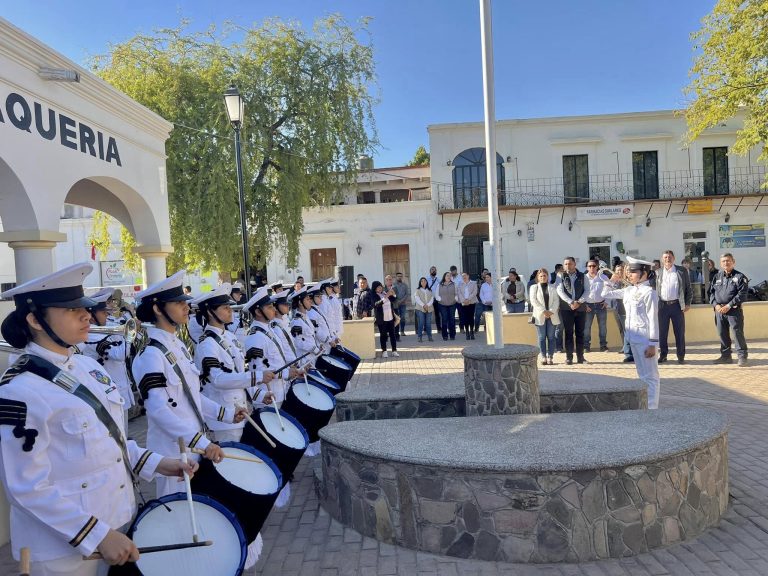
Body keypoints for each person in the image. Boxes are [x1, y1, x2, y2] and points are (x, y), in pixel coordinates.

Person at [0, 262, 196, 575]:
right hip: (63, 552)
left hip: (112, 528)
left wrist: (157, 462)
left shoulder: (87, 369)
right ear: (35, 319)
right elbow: (26, 488)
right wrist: (97, 534)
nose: (86, 316)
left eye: (84, 307)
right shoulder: (20, 390)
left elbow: (109, 440)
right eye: (70, 310)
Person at [131, 270, 248, 499]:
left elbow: (192, 395)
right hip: (175, 454)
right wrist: (202, 443)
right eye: (178, 303)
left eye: (185, 302)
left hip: (193, 447)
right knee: (181, 522)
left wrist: (226, 414)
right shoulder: (150, 355)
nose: (186, 307)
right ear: (157, 308)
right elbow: (158, 411)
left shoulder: (179, 347)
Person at [193, 284, 273, 444]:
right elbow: (217, 379)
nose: (230, 310)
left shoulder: (229, 337)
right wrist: (257, 376)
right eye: (224, 307)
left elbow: (238, 372)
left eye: (229, 306)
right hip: (224, 415)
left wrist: (259, 394)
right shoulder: (207, 344)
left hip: (240, 410)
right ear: (210, 312)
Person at [602, 256, 660, 409]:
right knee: (642, 376)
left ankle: (652, 407)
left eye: (633, 271)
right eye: (629, 271)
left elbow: (653, 320)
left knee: (651, 376)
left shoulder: (649, 293)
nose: (629, 274)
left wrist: (653, 344)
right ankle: (645, 405)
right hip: (633, 338)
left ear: (645, 273)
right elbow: (605, 295)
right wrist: (611, 280)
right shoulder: (628, 290)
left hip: (645, 340)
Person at [82, 287, 134, 429]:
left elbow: (121, 329)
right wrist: (128, 336)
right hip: (107, 395)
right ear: (92, 315)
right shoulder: (91, 336)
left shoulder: (105, 327)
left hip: (119, 391)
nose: (107, 315)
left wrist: (130, 324)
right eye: (104, 312)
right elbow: (120, 355)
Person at [709, 253, 749, 366]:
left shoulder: (740, 277)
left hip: (734, 310)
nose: (726, 263)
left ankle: (742, 356)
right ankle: (726, 356)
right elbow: (711, 293)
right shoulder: (717, 276)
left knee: (737, 333)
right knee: (722, 333)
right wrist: (716, 305)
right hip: (719, 311)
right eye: (723, 261)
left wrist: (729, 305)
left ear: (733, 262)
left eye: (728, 260)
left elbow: (742, 294)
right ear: (721, 263)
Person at [655, 250, 692, 364]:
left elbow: (688, 288)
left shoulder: (681, 270)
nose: (667, 259)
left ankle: (681, 356)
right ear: (662, 259)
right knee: (662, 332)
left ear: (674, 258)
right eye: (665, 257)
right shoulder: (658, 272)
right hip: (662, 306)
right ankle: (663, 355)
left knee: (679, 332)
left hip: (677, 306)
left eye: (669, 257)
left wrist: (687, 303)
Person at [556, 257, 588, 365]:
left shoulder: (583, 276)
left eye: (569, 264)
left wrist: (579, 302)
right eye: (565, 264)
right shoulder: (560, 276)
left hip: (581, 308)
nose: (567, 266)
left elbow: (587, 291)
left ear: (575, 264)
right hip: (567, 308)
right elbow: (560, 291)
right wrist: (570, 302)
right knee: (568, 333)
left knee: (580, 333)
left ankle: (580, 357)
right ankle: (569, 357)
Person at [530, 268, 560, 365]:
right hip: (540, 315)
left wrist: (550, 311)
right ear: (538, 278)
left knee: (551, 337)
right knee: (542, 337)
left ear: (547, 277)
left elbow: (556, 301)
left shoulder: (553, 288)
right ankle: (543, 356)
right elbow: (533, 301)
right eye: (541, 276)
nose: (543, 277)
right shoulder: (534, 287)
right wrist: (543, 311)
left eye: (544, 276)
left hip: (552, 315)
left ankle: (550, 356)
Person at [582, 259, 609, 353]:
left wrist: (607, 302)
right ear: (587, 267)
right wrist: (584, 304)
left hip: (601, 305)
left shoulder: (603, 277)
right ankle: (586, 346)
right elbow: (580, 292)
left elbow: (609, 289)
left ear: (597, 267)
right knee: (586, 327)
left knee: (602, 327)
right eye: (589, 266)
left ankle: (603, 345)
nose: (592, 268)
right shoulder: (583, 278)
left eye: (594, 266)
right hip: (588, 306)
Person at [372, 280, 398, 357]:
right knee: (383, 335)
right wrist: (385, 298)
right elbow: (376, 304)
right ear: (375, 289)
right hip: (382, 319)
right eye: (378, 288)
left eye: (381, 287)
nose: (380, 289)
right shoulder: (374, 295)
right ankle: (384, 351)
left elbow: (394, 300)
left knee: (392, 335)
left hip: (390, 317)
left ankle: (394, 350)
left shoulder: (384, 293)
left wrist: (393, 294)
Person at [435, 272, 458, 340]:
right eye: (447, 275)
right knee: (444, 320)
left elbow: (456, 293)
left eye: (450, 276)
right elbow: (436, 294)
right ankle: (445, 335)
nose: (449, 277)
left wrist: (455, 299)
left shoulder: (454, 284)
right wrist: (440, 299)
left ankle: (452, 335)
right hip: (442, 305)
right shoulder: (439, 285)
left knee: (452, 320)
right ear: (444, 277)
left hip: (452, 304)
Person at [457, 272, 478, 340]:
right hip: (463, 303)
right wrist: (464, 300)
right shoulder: (460, 284)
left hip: (471, 302)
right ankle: (467, 332)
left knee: (471, 317)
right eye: (463, 276)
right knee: (465, 318)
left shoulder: (473, 283)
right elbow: (459, 293)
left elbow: (475, 292)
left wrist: (468, 299)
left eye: (465, 276)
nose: (464, 277)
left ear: (468, 276)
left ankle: (472, 331)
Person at [413, 277, 434, 342]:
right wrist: (423, 305)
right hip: (420, 309)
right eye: (422, 281)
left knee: (428, 323)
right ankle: (419, 337)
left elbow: (432, 298)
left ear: (426, 282)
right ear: (420, 282)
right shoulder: (417, 290)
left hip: (429, 308)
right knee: (421, 323)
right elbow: (417, 299)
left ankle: (430, 336)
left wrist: (427, 305)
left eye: (424, 281)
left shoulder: (430, 290)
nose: (423, 282)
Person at [393, 272, 410, 339]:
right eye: (398, 276)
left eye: (400, 276)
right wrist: (397, 301)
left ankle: (402, 331)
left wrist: (401, 300)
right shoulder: (393, 285)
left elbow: (406, 294)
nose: (399, 277)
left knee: (402, 318)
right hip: (395, 304)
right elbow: (392, 294)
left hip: (403, 304)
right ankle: (395, 332)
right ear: (396, 277)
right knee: (396, 318)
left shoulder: (405, 285)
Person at [426, 266, 442, 332]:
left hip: (436, 299)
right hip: (429, 299)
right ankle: (426, 330)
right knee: (427, 315)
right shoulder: (426, 279)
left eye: (435, 270)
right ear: (430, 271)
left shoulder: (438, 279)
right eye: (432, 270)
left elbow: (441, 288)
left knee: (437, 315)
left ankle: (439, 329)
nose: (433, 271)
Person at [450, 266, 464, 332]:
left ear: (456, 270)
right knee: (451, 314)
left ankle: (461, 328)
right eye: (451, 271)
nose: (453, 272)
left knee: (461, 313)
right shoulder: (450, 278)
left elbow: (462, 287)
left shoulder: (460, 277)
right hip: (451, 298)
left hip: (459, 298)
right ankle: (452, 328)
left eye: (454, 270)